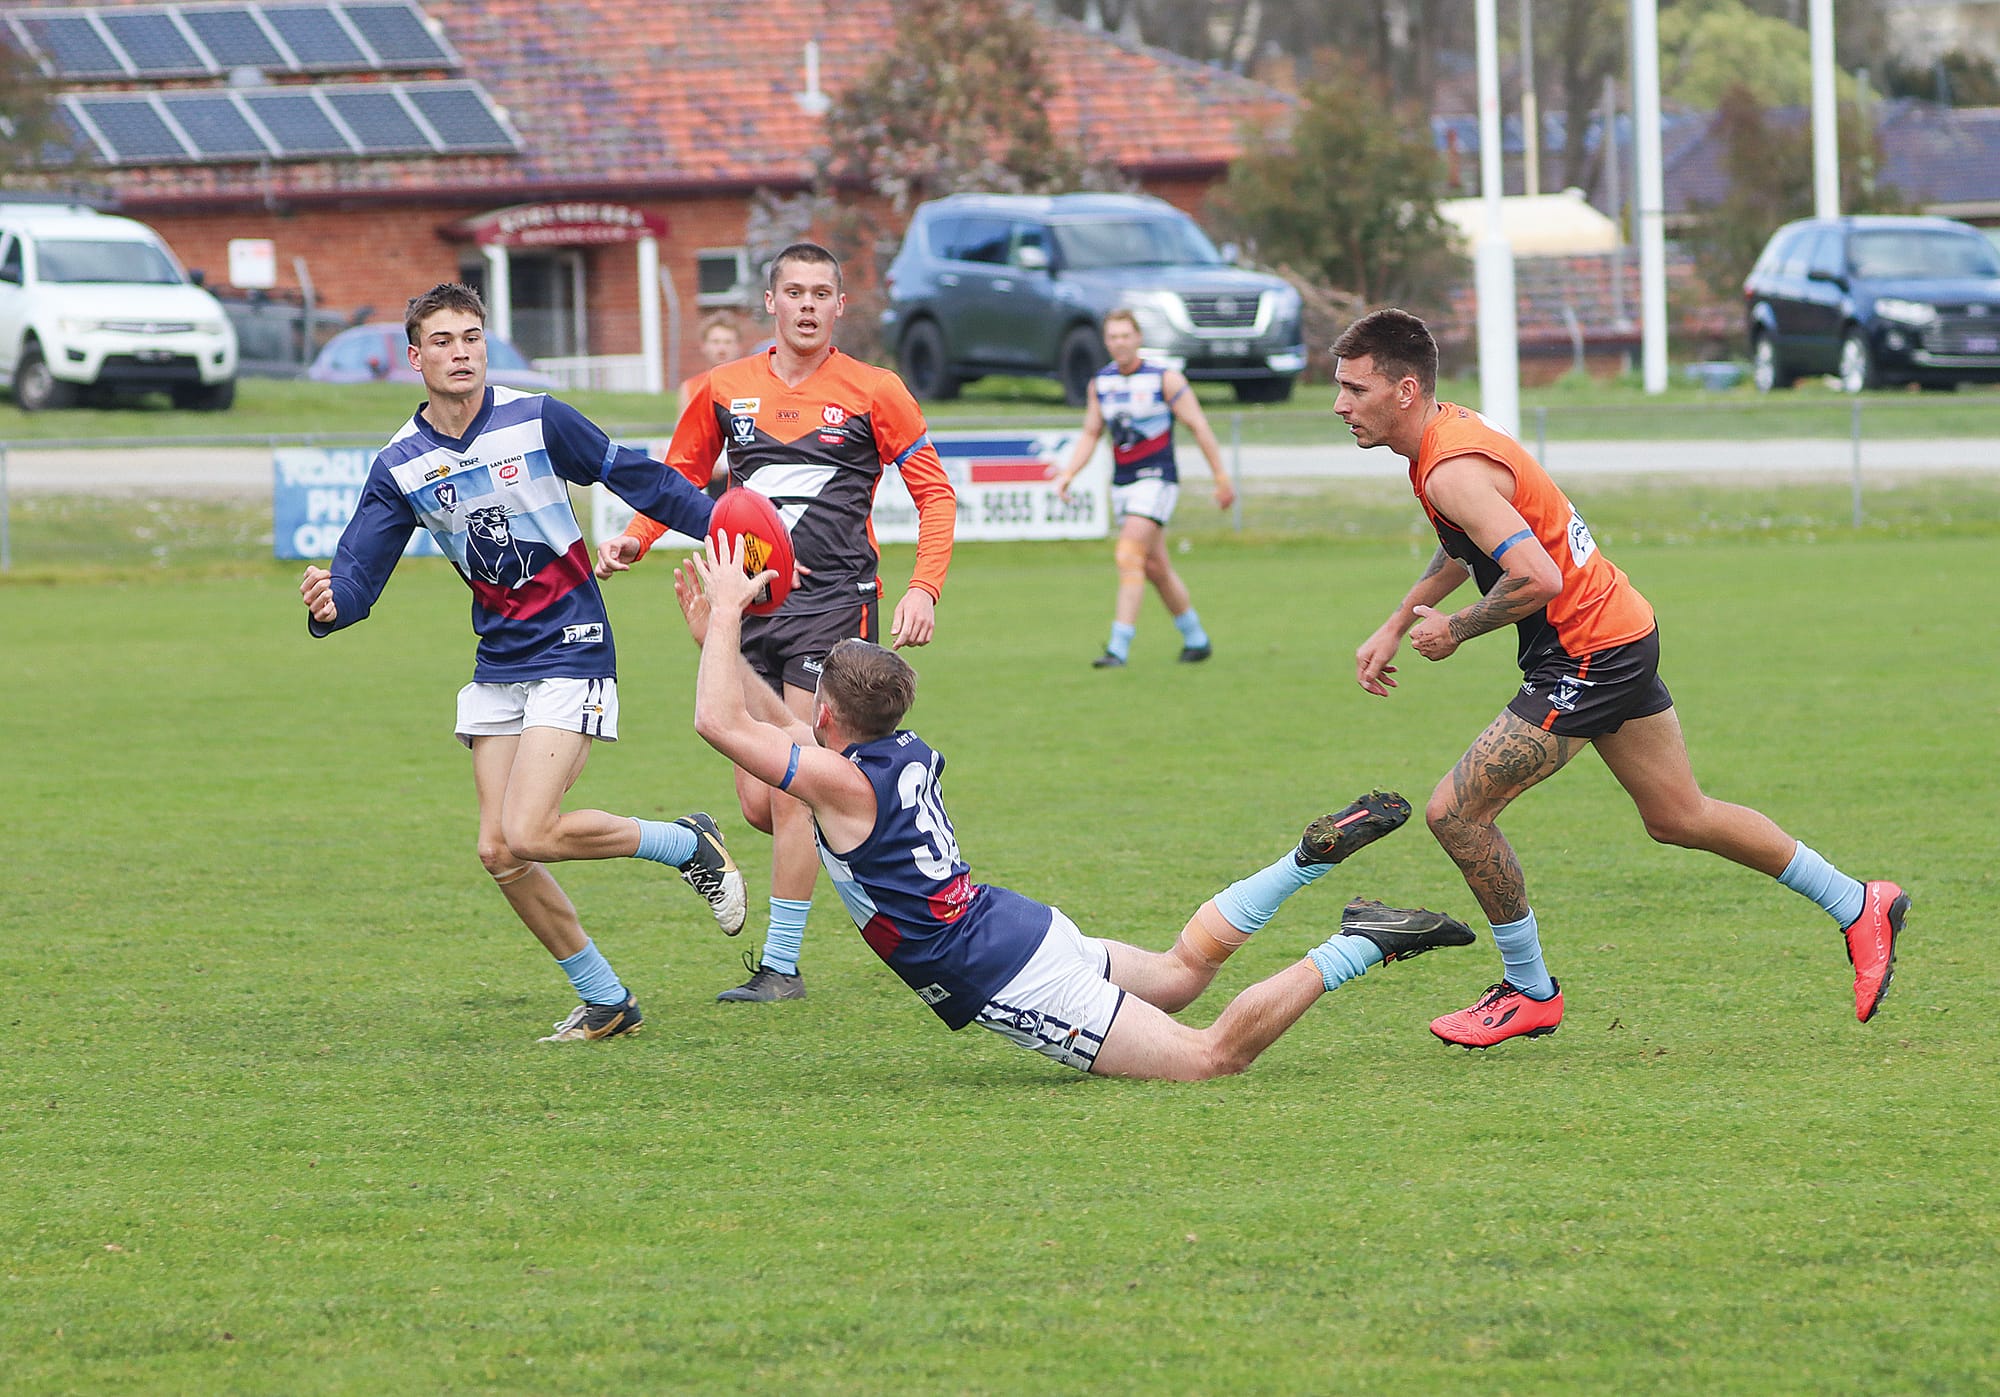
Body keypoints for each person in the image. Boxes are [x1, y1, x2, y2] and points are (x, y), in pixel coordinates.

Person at [680, 532, 1476, 1078]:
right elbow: (773, 723)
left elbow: (721, 723)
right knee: (1180, 973)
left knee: (1211, 1057)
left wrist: (728, 614)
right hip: (1013, 923)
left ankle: (1361, 944)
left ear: (828, 714)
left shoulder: (840, 781)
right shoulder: (888, 751)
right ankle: (1302, 863)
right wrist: (717, 642)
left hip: (1001, 971)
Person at [1331, 307, 1909, 1048]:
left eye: (1355, 388)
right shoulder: (1446, 439)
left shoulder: (1449, 468)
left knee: (1456, 813)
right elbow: (1468, 542)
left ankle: (1529, 990)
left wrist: (1457, 628)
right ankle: (1860, 903)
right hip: (1619, 629)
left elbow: (1535, 577)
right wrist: (1395, 622)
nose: (1340, 405)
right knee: (1679, 815)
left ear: (1406, 389)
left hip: (1588, 653)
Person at [298, 282, 746, 1043]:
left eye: (472, 337)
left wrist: (729, 532)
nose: (461, 352)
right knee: (499, 849)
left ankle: (685, 844)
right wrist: (330, 602)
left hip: (573, 641)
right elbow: (359, 574)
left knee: (531, 829)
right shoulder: (401, 464)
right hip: (499, 659)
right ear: (415, 358)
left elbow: (640, 478)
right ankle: (607, 1000)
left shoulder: (538, 419)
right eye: (443, 341)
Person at [597, 243, 957, 1003]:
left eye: (821, 293)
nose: (807, 305)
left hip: (836, 604)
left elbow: (935, 493)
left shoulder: (875, 390)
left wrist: (924, 587)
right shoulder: (724, 388)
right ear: (771, 301)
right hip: (747, 603)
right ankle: (862, 835)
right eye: (794, 291)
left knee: (795, 784)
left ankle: (782, 966)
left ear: (839, 306)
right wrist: (637, 536)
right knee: (762, 802)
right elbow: (678, 478)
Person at [1048, 308, 1236, 668]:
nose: (1119, 342)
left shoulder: (1164, 379)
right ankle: (1196, 639)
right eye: (1113, 336)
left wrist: (1221, 478)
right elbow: (1091, 433)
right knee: (1154, 566)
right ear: (1106, 342)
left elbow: (1198, 426)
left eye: (1125, 335)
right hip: (1123, 484)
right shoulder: (1101, 384)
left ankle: (1118, 648)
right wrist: (1069, 472)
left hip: (1157, 480)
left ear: (1138, 338)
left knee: (1128, 554)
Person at [685, 313, 744, 500]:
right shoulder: (691, 387)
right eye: (716, 341)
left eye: (728, 342)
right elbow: (686, 437)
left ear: (738, 346)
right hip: (706, 476)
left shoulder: (750, 384)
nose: (721, 348)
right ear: (704, 346)